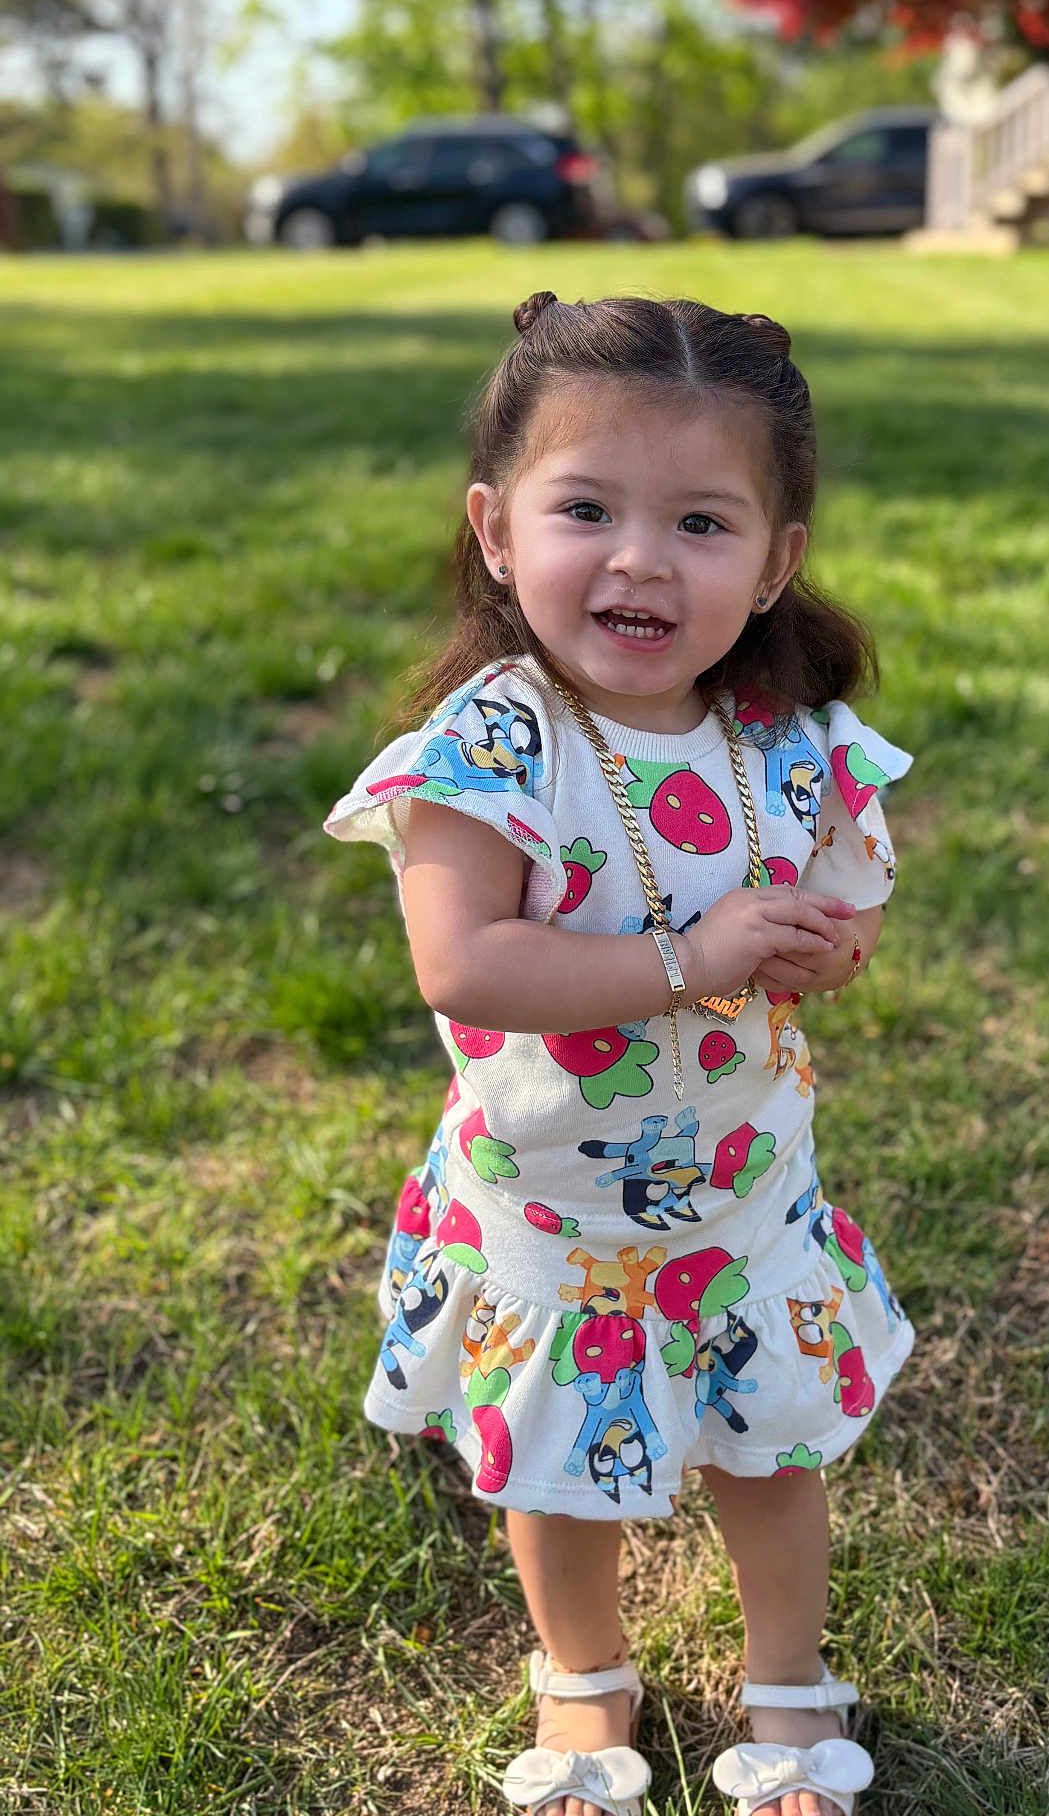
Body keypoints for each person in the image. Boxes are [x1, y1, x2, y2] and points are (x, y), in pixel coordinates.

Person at [323, 290, 915, 1816]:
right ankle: (583, 1681)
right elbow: (467, 962)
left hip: (739, 1203)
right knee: (554, 1471)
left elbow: (840, 905)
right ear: (498, 531)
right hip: (553, 1218)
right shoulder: (484, 756)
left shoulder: (789, 736)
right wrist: (692, 962)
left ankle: (789, 1684)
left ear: (776, 561)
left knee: (770, 1456)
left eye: (703, 523)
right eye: (586, 507)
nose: (642, 558)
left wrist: (822, 951)